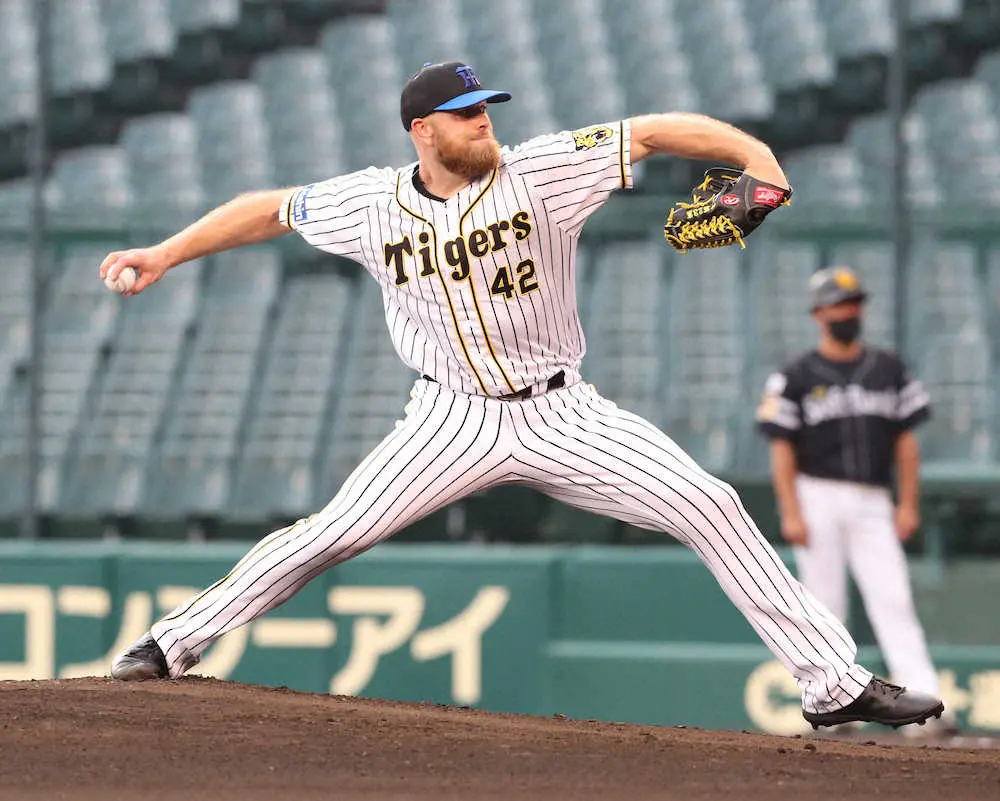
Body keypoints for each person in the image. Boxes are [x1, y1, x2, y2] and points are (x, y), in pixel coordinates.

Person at [102, 61, 944, 730]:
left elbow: (655, 131)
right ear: (422, 130)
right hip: (449, 416)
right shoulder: (369, 203)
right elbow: (270, 211)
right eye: (465, 113)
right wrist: (165, 253)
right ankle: (171, 643)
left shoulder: (542, 170)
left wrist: (755, 159)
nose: (483, 121)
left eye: (486, 109)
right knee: (331, 532)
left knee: (710, 502)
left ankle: (831, 683)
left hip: (563, 411)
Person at [756, 266, 953, 732]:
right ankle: (834, 704)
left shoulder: (888, 368)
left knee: (894, 600)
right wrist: (791, 511)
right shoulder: (795, 375)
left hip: (872, 500)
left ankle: (927, 709)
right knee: (823, 606)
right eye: (838, 305)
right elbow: (781, 447)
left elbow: (906, 443)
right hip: (817, 495)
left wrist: (908, 503)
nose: (847, 312)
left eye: (853, 303)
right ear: (818, 313)